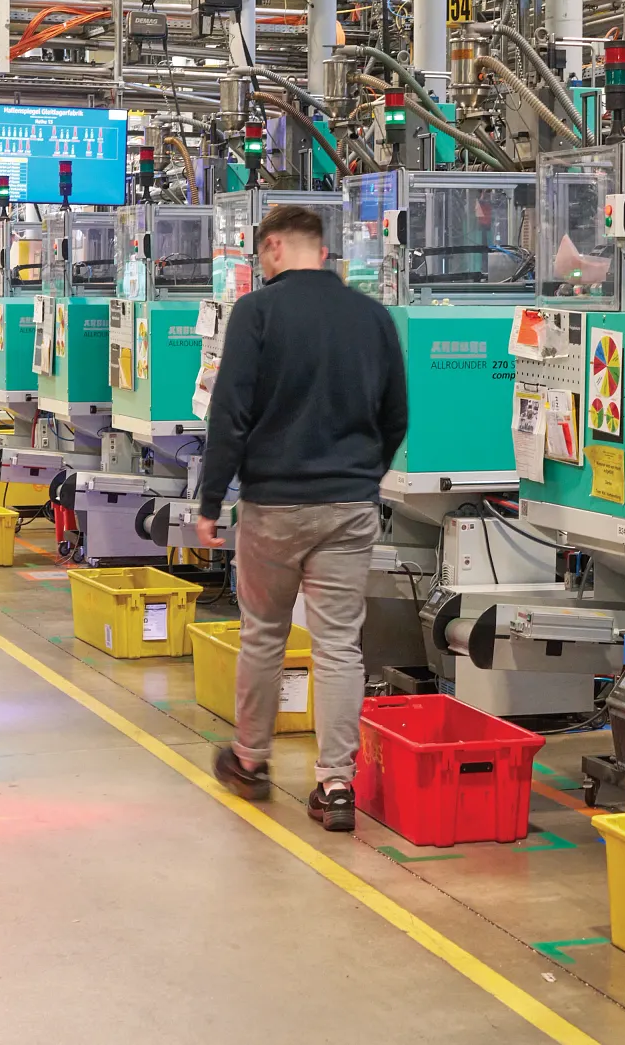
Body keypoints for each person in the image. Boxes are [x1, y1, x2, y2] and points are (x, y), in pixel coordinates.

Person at [196, 204, 407, 831]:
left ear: (277, 247)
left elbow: (229, 414)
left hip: (275, 505)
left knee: (264, 632)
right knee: (339, 643)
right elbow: (396, 416)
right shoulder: (373, 317)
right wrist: (363, 479)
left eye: (263, 253)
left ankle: (251, 762)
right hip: (349, 506)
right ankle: (337, 786)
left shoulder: (257, 313)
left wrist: (210, 502)